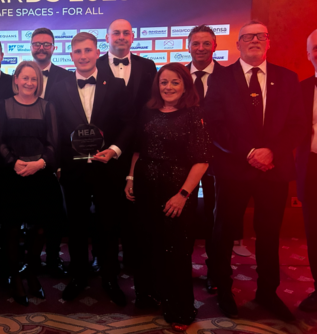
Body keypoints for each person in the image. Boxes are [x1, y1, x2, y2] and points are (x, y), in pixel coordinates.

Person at [205, 21, 306, 321]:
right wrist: (249, 153)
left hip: (274, 169)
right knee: (224, 232)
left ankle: (267, 293)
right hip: (232, 170)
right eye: (247, 36)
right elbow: (214, 125)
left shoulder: (287, 78)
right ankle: (224, 289)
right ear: (238, 44)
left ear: (268, 42)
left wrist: (271, 151)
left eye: (261, 36)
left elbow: (298, 125)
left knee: (269, 234)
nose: (254, 40)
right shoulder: (221, 79)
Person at [125, 63, 211, 332]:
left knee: (175, 251)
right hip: (145, 189)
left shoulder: (193, 113)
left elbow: (202, 160)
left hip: (176, 193)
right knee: (146, 245)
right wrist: (130, 178)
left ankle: (180, 308)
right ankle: (149, 295)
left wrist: (183, 195)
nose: (169, 87)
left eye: (175, 82)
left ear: (185, 86)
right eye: (164, 82)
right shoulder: (147, 111)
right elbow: (138, 149)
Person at [49, 32, 133, 306]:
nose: (83, 56)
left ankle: (109, 277)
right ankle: (78, 276)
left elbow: (128, 124)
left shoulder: (117, 84)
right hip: (73, 170)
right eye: (78, 51)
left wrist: (115, 150)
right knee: (76, 226)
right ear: (71, 55)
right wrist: (57, 165)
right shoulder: (58, 88)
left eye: (88, 50)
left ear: (98, 52)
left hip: (107, 168)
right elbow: (55, 130)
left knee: (108, 224)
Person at [0, 61, 61, 306]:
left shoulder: (47, 106)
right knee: (11, 230)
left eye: (34, 79)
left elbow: (54, 143)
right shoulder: (4, 105)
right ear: (16, 80)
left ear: (39, 82)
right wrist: (13, 162)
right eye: (25, 78)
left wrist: (40, 163)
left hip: (40, 176)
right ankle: (15, 277)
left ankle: (33, 275)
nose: (29, 83)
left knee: (39, 230)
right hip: (12, 176)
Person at [96, 18, 157, 272]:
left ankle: (133, 258)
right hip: (105, 148)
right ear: (107, 38)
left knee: (135, 204)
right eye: (116, 33)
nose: (121, 36)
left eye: (125, 33)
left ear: (132, 37)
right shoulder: (95, 64)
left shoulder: (148, 66)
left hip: (141, 146)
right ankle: (103, 258)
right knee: (105, 207)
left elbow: (154, 102)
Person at [29, 27, 72, 278]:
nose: (41, 48)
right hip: (27, 157)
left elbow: (68, 121)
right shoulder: (20, 76)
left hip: (57, 155)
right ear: (31, 47)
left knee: (56, 212)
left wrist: (58, 160)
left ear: (54, 47)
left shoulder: (66, 77)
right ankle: (31, 260)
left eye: (46, 44)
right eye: (37, 44)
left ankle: (54, 259)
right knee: (31, 213)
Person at [185, 24, 225, 294]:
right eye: (196, 43)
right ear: (188, 46)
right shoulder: (177, 75)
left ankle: (216, 271)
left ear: (214, 46)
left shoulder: (229, 77)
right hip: (183, 158)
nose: (200, 48)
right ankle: (180, 265)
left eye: (206, 43)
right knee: (182, 212)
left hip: (220, 157)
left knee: (216, 216)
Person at [295, 29, 317, 312]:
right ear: (309, 54)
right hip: (312, 168)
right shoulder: (301, 89)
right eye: (316, 48)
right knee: (314, 233)